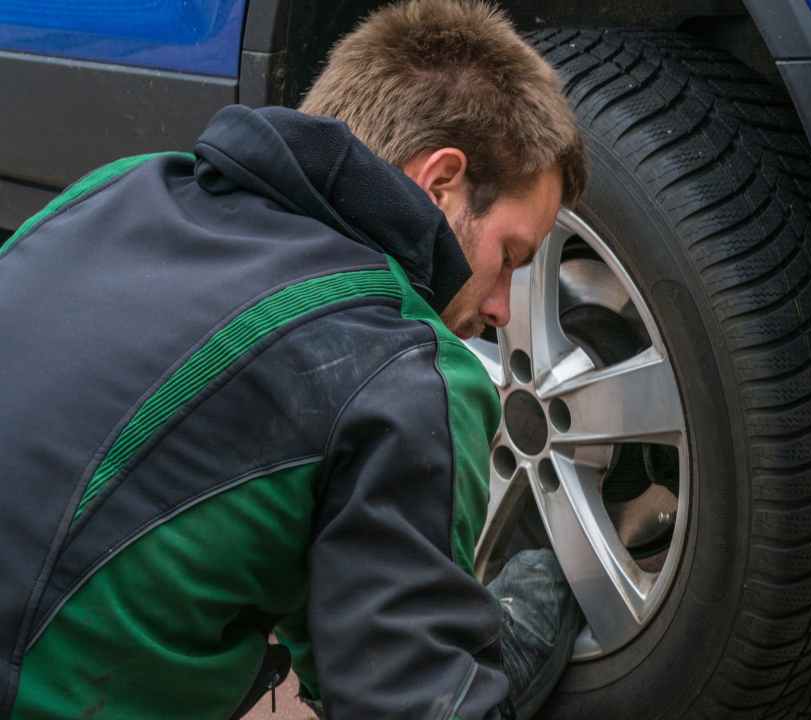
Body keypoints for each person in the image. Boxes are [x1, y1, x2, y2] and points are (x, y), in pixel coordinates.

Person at [0, 0, 586, 717]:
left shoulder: (117, 188)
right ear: (440, 183)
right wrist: (498, 655)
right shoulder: (400, 365)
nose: (501, 309)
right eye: (510, 257)